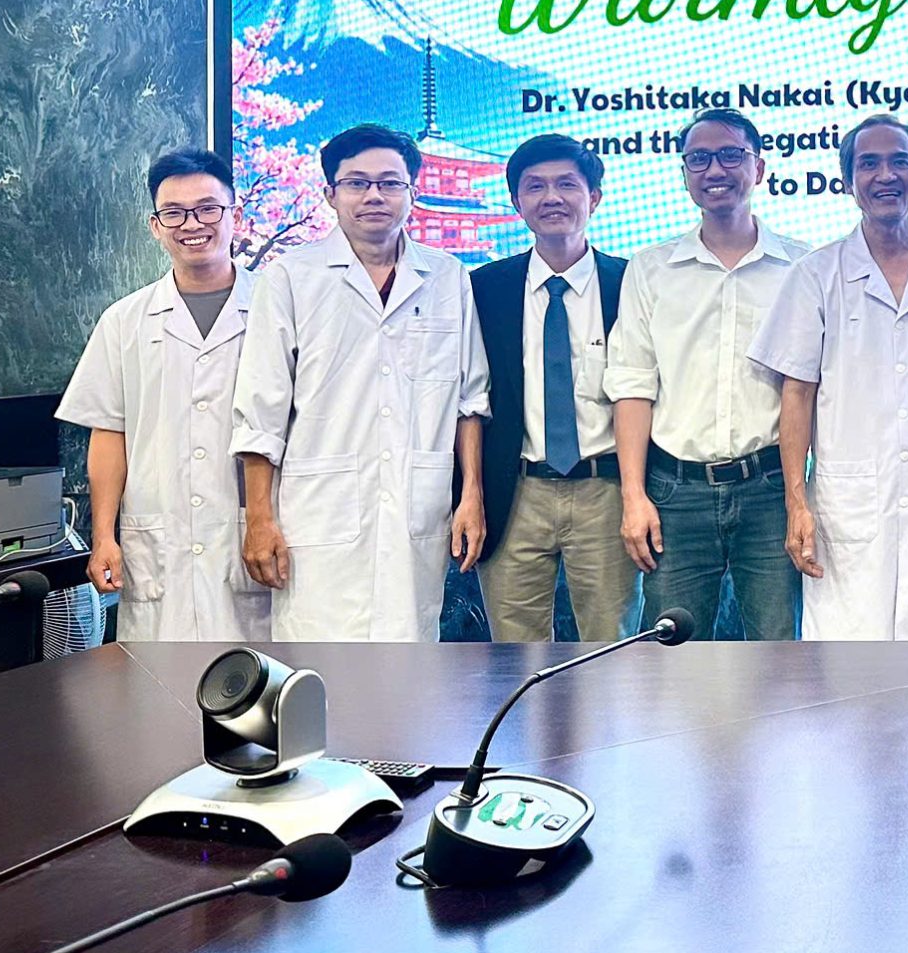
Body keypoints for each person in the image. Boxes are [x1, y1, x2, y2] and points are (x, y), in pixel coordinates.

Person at [231, 124, 490, 641]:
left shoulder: (448, 277)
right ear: (330, 194)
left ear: (412, 193)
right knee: (320, 658)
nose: (374, 195)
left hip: (416, 508)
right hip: (317, 514)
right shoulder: (291, 277)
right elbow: (261, 413)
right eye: (356, 183)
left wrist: (472, 495)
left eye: (390, 183)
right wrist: (258, 519)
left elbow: (469, 400)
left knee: (411, 652)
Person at [750, 114, 908, 640]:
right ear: (848, 182)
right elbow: (797, 394)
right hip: (848, 506)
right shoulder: (816, 274)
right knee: (849, 662)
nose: (886, 175)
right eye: (869, 164)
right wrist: (797, 501)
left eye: (899, 162)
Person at [609, 109, 806, 640]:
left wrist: (798, 499)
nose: (715, 169)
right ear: (684, 174)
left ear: (758, 169)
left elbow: (810, 391)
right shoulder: (651, 269)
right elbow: (633, 387)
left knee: (779, 654)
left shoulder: (800, 268)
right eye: (699, 158)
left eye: (731, 155)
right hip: (675, 494)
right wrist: (634, 496)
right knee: (668, 653)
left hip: (769, 490)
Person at [60, 148, 271, 643]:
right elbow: (109, 434)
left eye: (207, 209)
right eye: (174, 213)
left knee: (259, 679)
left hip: (251, 537)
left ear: (235, 215)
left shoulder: (277, 309)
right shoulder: (124, 321)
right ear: (155, 226)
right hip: (158, 544)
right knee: (157, 683)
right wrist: (103, 535)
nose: (192, 224)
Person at [470, 134, 635, 642]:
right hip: (515, 491)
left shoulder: (630, 283)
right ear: (516, 201)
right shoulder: (485, 288)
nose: (552, 198)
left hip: (607, 491)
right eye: (535, 186)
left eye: (567, 184)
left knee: (612, 646)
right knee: (514, 652)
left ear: (595, 197)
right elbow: (471, 395)